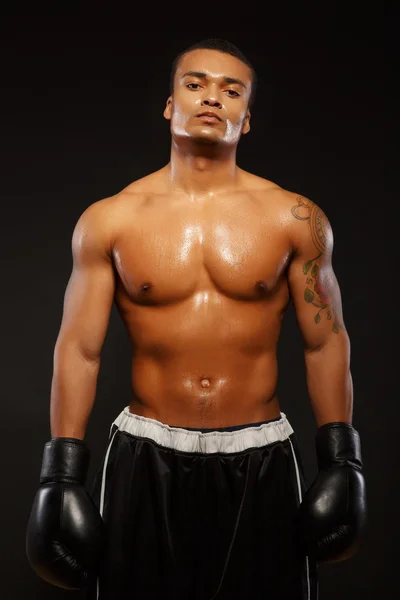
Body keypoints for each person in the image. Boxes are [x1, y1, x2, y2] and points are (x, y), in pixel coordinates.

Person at [26, 38, 367, 600]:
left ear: (247, 118)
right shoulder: (110, 220)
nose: (213, 98)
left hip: (260, 457)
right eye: (196, 84)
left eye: (231, 91)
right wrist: (60, 472)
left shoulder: (295, 218)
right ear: (169, 105)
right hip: (145, 455)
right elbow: (79, 349)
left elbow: (325, 342)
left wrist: (342, 458)